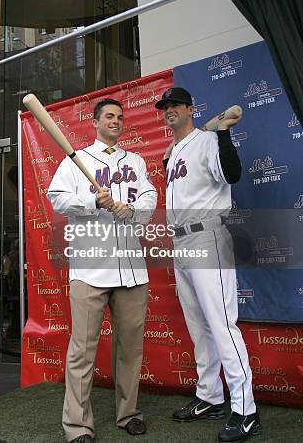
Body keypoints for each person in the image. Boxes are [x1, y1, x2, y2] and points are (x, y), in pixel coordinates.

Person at [47, 98, 157, 443]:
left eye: (120, 117)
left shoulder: (135, 161)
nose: (116, 121)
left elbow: (151, 199)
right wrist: (92, 201)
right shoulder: (76, 159)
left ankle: (128, 414)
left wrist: (131, 209)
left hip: (132, 272)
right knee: (82, 350)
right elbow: (57, 198)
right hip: (90, 269)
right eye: (109, 116)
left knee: (130, 349)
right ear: (95, 122)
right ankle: (78, 426)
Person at [155, 87, 260, 443]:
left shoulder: (208, 139)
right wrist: (170, 156)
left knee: (221, 324)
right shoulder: (175, 150)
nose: (169, 110)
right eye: (165, 106)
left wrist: (224, 134)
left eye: (175, 105)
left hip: (206, 235)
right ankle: (211, 397)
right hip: (179, 241)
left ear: (190, 109)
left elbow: (231, 174)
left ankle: (246, 410)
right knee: (199, 326)